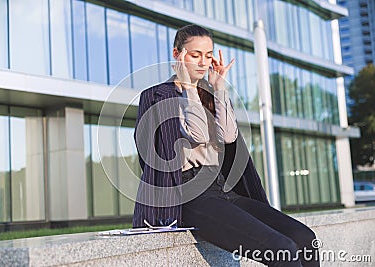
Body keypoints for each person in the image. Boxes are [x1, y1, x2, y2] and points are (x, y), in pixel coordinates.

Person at [133, 24, 319, 266]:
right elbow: (196, 135)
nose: (203, 63)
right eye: (195, 55)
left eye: (208, 56)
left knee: (305, 238)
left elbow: (229, 136)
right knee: (280, 248)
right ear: (177, 55)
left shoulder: (210, 92)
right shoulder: (158, 96)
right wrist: (189, 88)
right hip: (190, 196)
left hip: (222, 190)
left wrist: (219, 88)